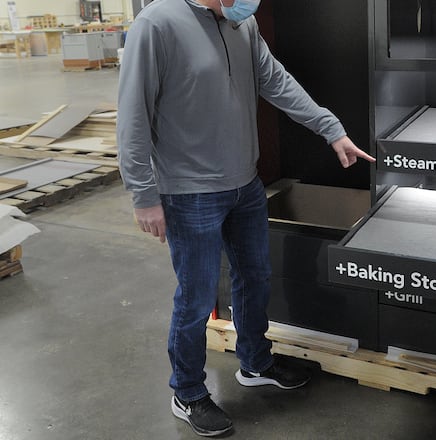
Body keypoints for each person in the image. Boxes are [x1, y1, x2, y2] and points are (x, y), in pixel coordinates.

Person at [116, 0, 375, 437]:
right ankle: (188, 391)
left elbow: (275, 80)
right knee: (196, 299)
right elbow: (133, 115)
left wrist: (330, 128)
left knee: (255, 278)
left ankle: (255, 363)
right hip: (188, 193)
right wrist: (144, 196)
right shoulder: (156, 24)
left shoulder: (243, 23)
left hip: (245, 184)